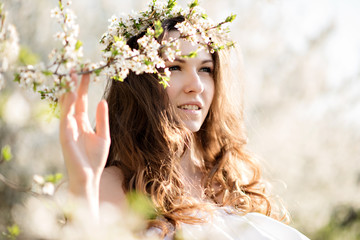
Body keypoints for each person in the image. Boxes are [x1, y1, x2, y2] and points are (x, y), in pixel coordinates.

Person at [58, 2, 309, 239]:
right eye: (174, 68)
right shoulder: (116, 185)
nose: (196, 86)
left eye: (206, 69)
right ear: (139, 82)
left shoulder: (234, 182)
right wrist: (82, 186)